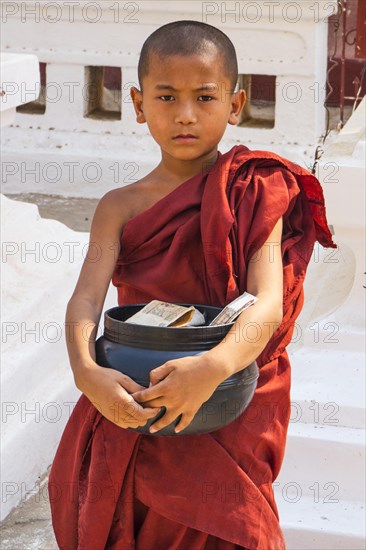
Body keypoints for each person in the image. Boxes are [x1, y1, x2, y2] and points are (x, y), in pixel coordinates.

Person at [48, 20, 337, 550]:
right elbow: (86, 297)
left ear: (235, 103)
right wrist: (87, 372)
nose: (185, 114)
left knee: (229, 524)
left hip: (229, 399)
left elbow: (266, 300)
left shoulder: (255, 188)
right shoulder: (120, 206)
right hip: (139, 394)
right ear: (138, 104)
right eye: (166, 96)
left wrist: (214, 368)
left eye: (205, 96)